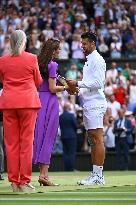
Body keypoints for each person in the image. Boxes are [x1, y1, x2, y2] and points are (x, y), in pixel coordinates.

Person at [0, 30, 42, 192]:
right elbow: (38, 81)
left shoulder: (2, 60)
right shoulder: (32, 58)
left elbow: (3, 80)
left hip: (9, 103)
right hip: (28, 102)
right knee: (26, 143)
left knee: (11, 144)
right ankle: (24, 181)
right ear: (24, 42)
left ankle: (14, 182)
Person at [67, 32, 107, 185]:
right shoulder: (90, 60)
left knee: (97, 139)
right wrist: (78, 88)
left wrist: (77, 84)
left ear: (92, 44)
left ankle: (98, 176)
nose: (82, 46)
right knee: (93, 139)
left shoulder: (97, 59)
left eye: (84, 44)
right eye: (81, 43)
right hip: (90, 103)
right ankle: (96, 174)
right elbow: (90, 83)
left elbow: (98, 84)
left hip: (95, 104)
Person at [33, 38, 71, 186]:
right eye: (58, 49)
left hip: (37, 100)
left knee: (40, 137)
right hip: (49, 101)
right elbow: (52, 88)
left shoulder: (37, 63)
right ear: (53, 51)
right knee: (48, 137)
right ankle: (44, 176)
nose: (60, 51)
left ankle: (43, 175)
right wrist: (66, 88)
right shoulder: (53, 65)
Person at [59, 101, 77, 171]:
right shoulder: (71, 115)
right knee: (71, 152)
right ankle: (71, 168)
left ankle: (66, 168)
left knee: (65, 152)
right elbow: (75, 125)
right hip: (71, 136)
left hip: (63, 136)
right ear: (69, 108)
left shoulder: (60, 116)